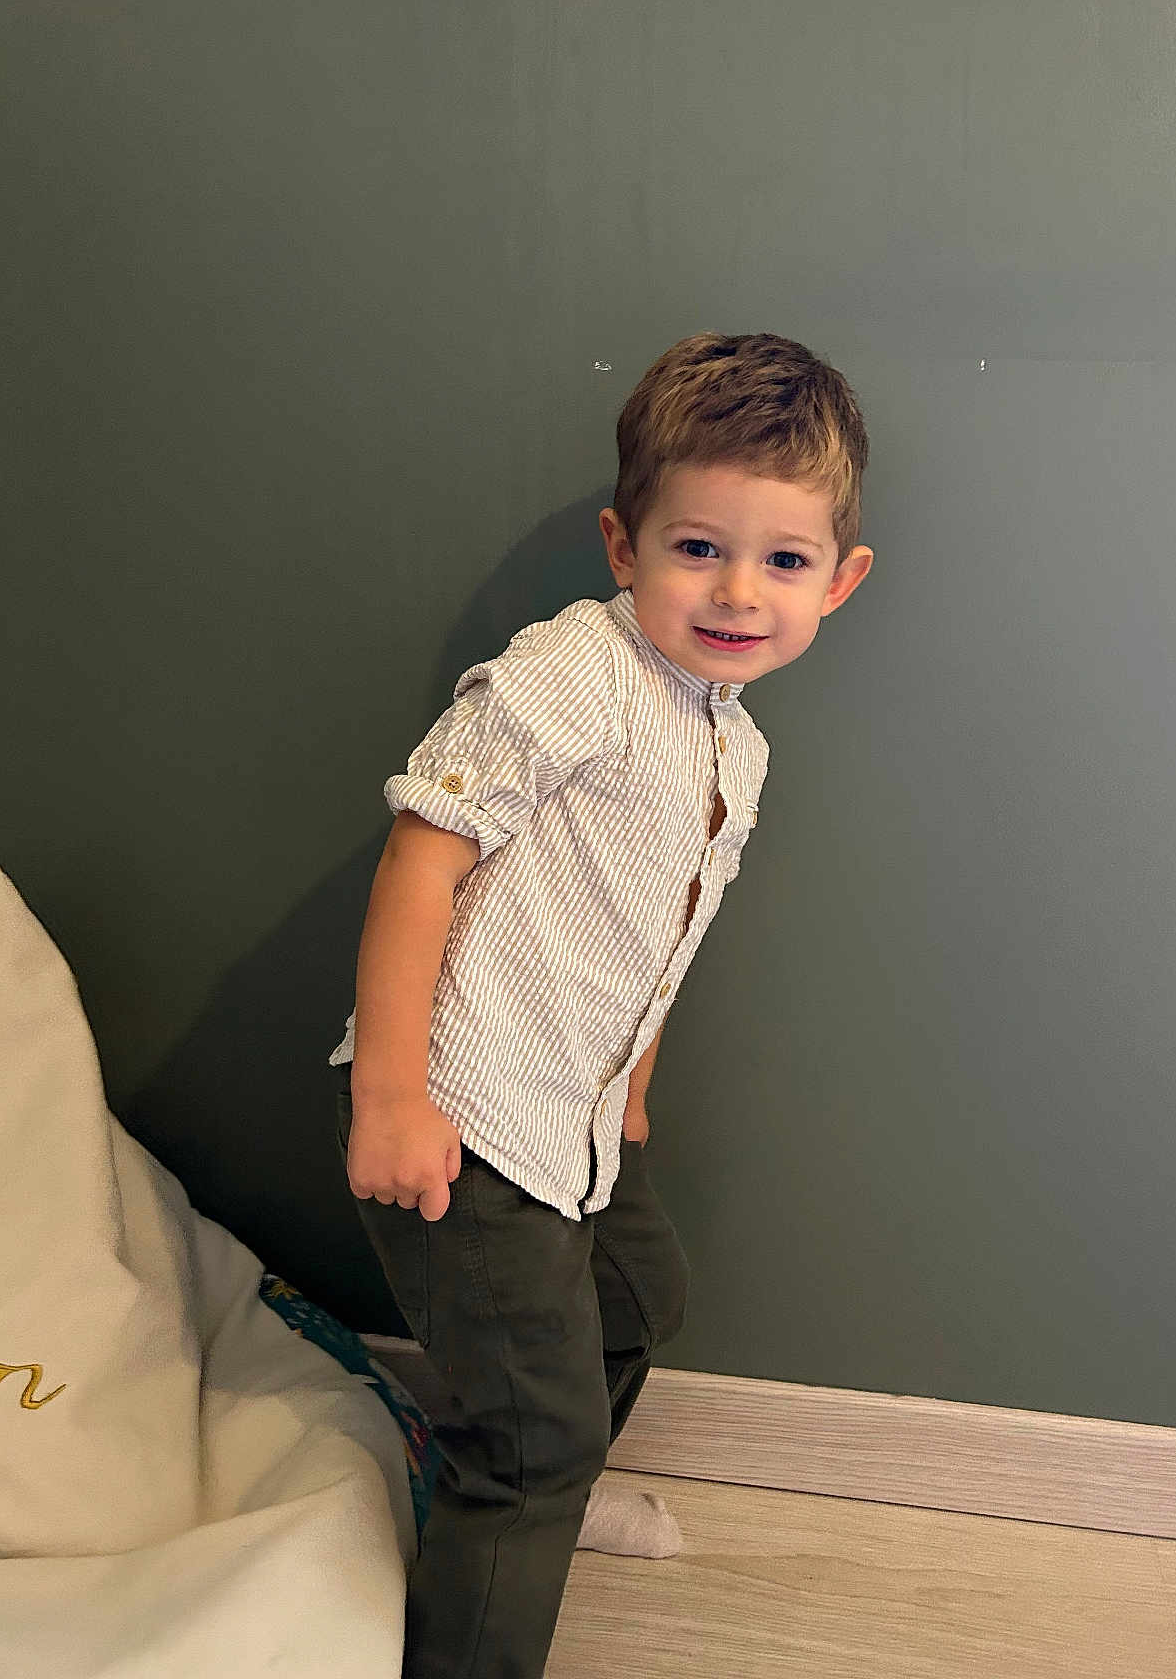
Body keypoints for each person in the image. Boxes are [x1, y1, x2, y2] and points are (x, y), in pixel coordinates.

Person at [330, 329, 875, 1677]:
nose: (738, 591)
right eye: (698, 548)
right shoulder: (578, 672)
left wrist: (632, 1079)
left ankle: (544, 1492)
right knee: (532, 1444)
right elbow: (425, 852)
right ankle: (525, 1498)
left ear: (839, 581)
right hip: (465, 1108)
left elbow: (659, 929)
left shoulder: (732, 739)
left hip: (570, 1111)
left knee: (637, 1300)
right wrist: (391, 1096)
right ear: (625, 548)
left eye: (783, 561)